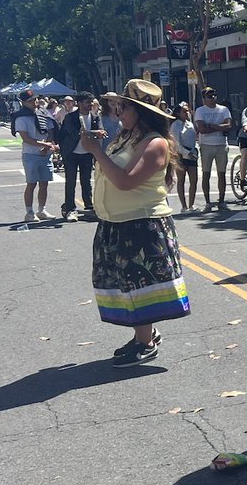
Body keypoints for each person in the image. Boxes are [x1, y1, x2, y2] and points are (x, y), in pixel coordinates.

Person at [81, 79, 189, 369]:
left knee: (138, 283)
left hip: (141, 224)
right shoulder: (126, 137)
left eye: (124, 107)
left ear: (141, 111)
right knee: (125, 284)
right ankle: (145, 334)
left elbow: (126, 181)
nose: (118, 112)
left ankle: (146, 343)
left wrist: (96, 151)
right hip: (117, 222)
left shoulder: (155, 143)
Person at [57, 91, 105, 221]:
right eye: (87, 102)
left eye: (91, 102)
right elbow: (75, 133)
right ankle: (70, 208)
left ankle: (89, 206)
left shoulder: (95, 117)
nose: (90, 104)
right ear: (79, 103)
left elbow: (100, 130)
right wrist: (94, 132)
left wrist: (99, 133)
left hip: (87, 153)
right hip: (71, 153)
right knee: (70, 182)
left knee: (86, 181)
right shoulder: (70, 117)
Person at [13, 89, 58, 222]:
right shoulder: (21, 117)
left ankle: (42, 210)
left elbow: (51, 131)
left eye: (35, 99)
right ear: (23, 103)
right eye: (30, 101)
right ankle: (29, 212)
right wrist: (44, 145)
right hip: (30, 154)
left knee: (44, 183)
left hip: (45, 153)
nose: (34, 102)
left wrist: (47, 146)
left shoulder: (43, 113)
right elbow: (26, 138)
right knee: (31, 183)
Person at [194, 87, 232, 211]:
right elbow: (201, 129)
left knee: (222, 173)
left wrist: (211, 125)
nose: (213, 98)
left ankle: (221, 200)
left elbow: (228, 125)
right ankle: (208, 202)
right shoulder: (200, 110)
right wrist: (219, 127)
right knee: (206, 173)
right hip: (206, 145)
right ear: (204, 98)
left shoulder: (224, 109)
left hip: (221, 144)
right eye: (209, 96)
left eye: (214, 95)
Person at [171, 102, 199, 213]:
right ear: (178, 113)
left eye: (188, 111)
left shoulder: (190, 124)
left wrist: (194, 151)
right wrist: (186, 153)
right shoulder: (175, 125)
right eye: (184, 111)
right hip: (180, 155)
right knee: (181, 180)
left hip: (192, 154)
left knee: (194, 180)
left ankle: (191, 205)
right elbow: (176, 143)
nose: (187, 113)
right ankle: (184, 206)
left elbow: (194, 139)